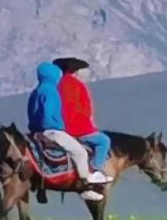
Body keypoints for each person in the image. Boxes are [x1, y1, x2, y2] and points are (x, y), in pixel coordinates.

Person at [26, 54, 107, 185]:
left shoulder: (37, 91)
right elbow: (81, 110)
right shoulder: (53, 90)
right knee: (84, 150)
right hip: (54, 130)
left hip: (36, 131)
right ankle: (88, 179)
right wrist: (58, 126)